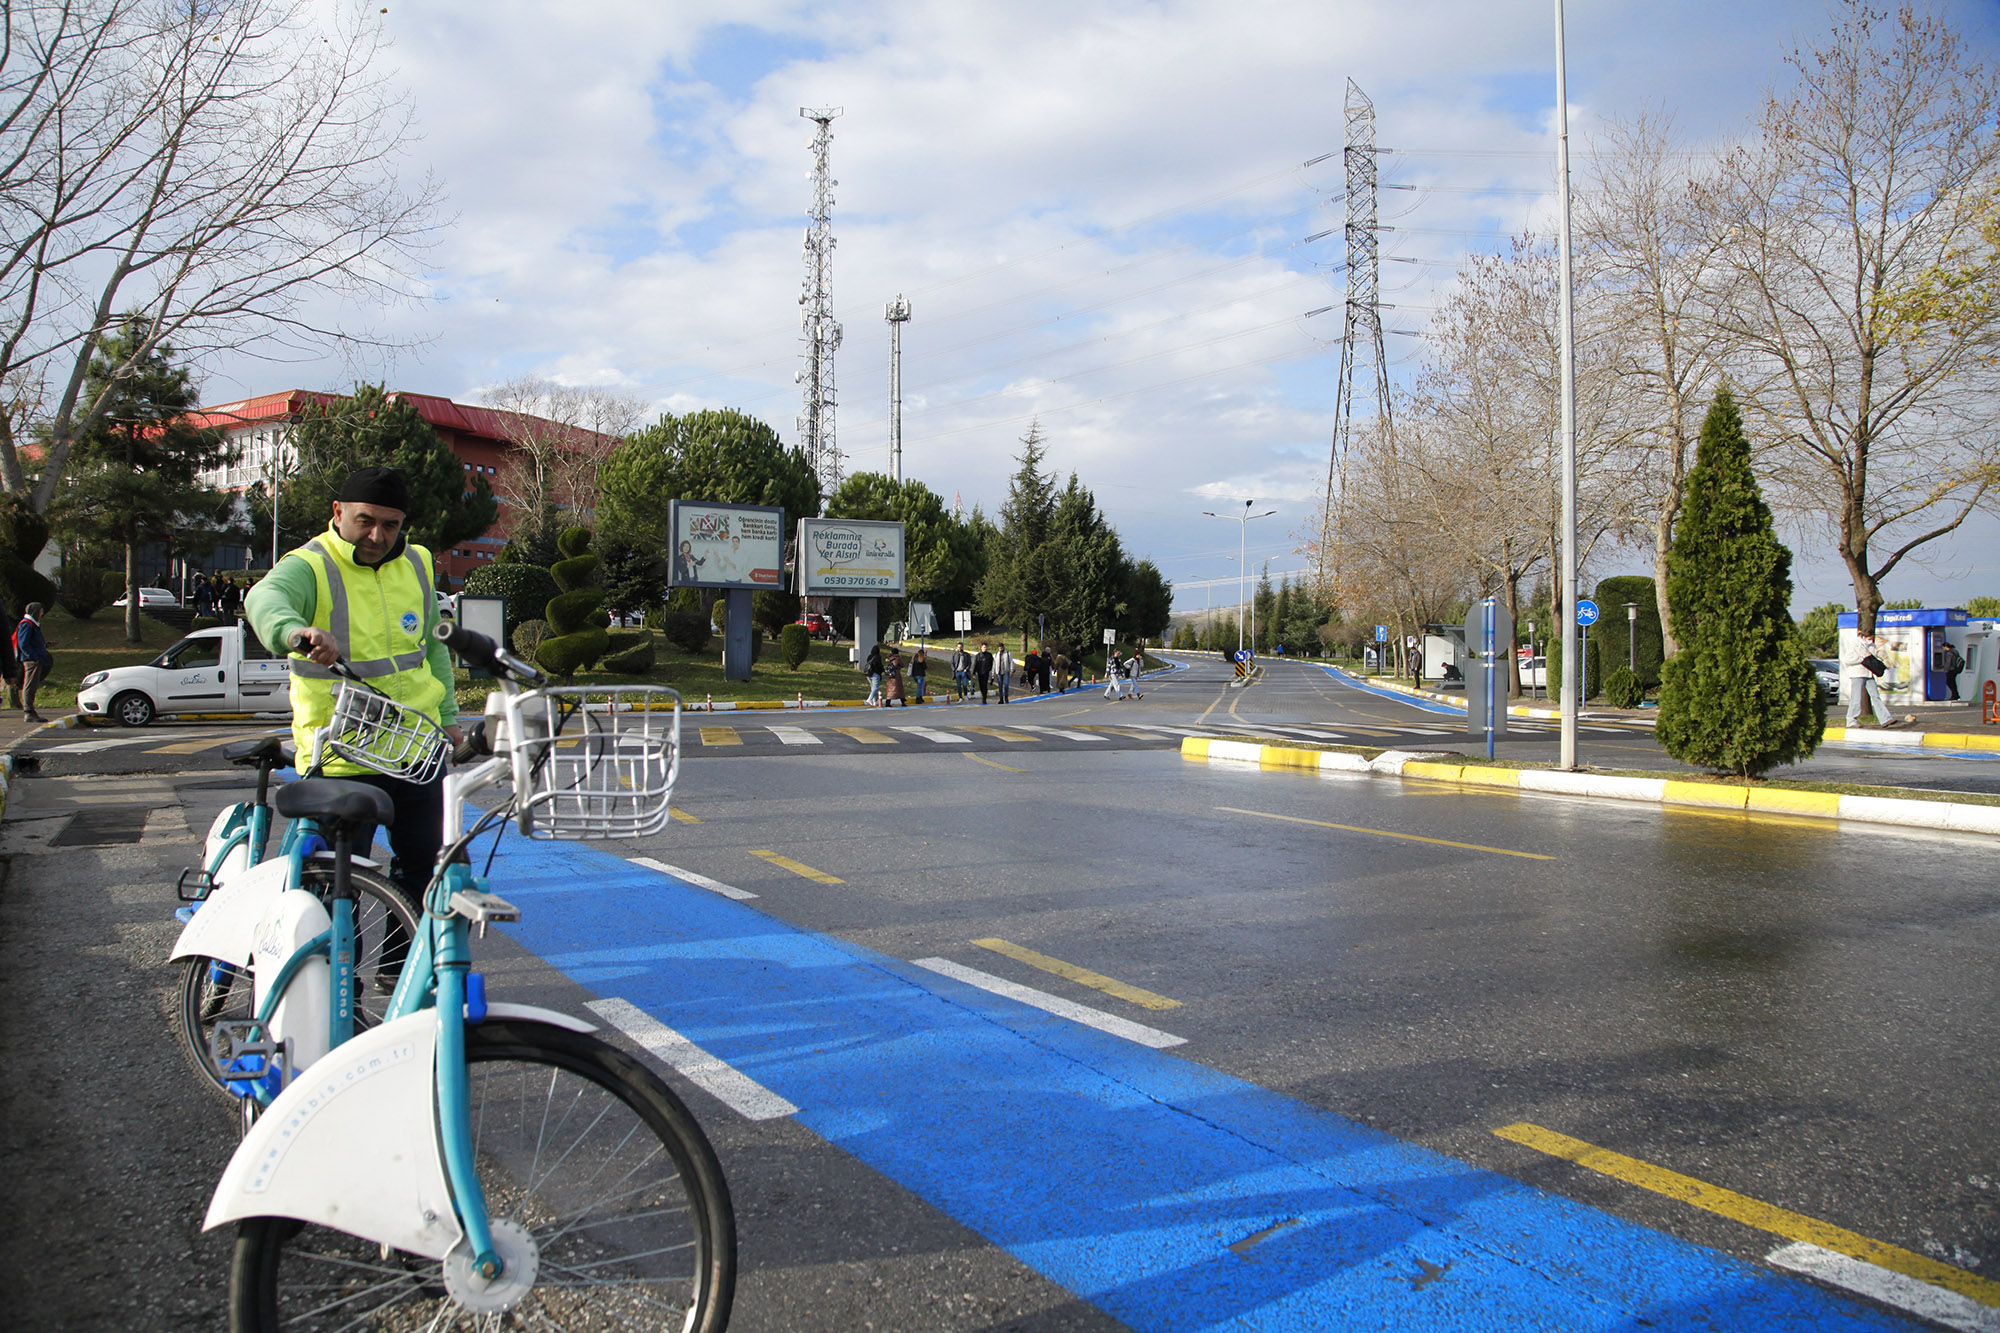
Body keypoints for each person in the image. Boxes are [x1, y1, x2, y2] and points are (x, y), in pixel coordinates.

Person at [245, 465, 464, 949]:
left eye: (391, 525)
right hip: (343, 754)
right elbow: (266, 597)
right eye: (365, 521)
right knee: (337, 884)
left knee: (425, 869)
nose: (377, 535)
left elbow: (432, 648)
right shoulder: (310, 564)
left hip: (416, 748)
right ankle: (336, 993)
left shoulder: (419, 563)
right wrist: (295, 633)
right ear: (338, 512)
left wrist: (448, 718)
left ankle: (400, 975)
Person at [1841, 629, 1905, 728]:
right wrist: (1863, 659)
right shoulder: (1855, 644)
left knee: (1875, 696)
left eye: (1871, 638)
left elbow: (1873, 658)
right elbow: (1848, 660)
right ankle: (1851, 721)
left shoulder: (1872, 646)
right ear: (1863, 637)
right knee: (1856, 698)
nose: (1870, 640)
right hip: (1857, 674)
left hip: (1869, 674)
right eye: (1868, 638)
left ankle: (1885, 719)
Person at [14, 600, 52, 723]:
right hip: (31, 660)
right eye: (40, 611)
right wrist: (33, 656)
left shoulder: (32, 624)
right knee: (30, 685)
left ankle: (30, 709)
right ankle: (28, 711)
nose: (41, 614)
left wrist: (44, 645)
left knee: (32, 685)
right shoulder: (27, 624)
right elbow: (23, 643)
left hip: (33, 658)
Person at [863, 642, 885, 706]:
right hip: (875, 674)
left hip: (869, 674)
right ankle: (869, 699)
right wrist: (882, 670)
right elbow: (879, 666)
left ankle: (875, 701)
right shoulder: (878, 657)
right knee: (875, 688)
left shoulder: (869, 656)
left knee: (873, 688)